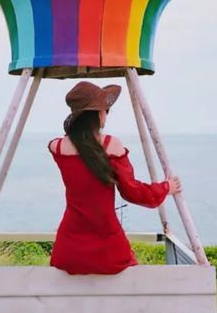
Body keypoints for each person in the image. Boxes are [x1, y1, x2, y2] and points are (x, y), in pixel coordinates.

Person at [48, 80, 182, 274]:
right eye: (105, 110)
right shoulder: (111, 145)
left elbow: (73, 148)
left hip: (69, 246)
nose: (106, 114)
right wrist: (165, 188)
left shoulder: (57, 147)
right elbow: (132, 192)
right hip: (107, 245)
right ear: (96, 114)